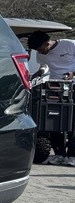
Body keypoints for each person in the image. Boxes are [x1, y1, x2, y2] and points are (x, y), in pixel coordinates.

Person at [27, 31, 75, 165]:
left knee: (73, 121)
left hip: (72, 85)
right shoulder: (40, 54)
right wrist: (38, 73)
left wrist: (72, 73)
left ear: (47, 43)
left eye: (40, 49)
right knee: (53, 120)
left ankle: (72, 155)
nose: (39, 52)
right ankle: (59, 154)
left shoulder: (69, 45)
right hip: (56, 88)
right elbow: (44, 67)